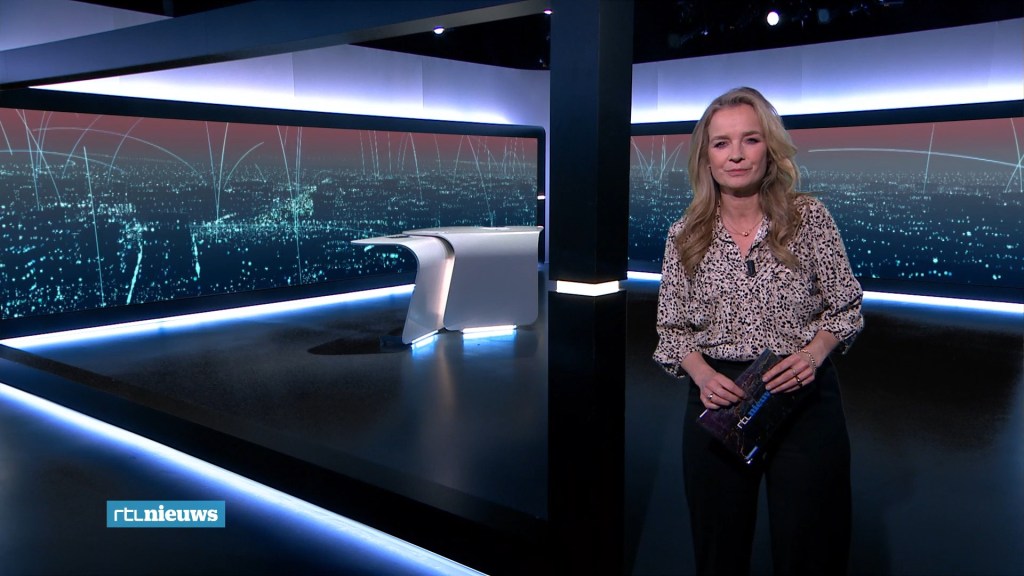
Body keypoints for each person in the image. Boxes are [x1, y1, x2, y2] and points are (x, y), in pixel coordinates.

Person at [653, 86, 864, 575]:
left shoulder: (809, 218)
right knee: (719, 554)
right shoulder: (685, 235)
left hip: (802, 395)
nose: (736, 155)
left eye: (750, 139)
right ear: (706, 157)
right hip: (718, 399)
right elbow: (671, 330)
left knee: (811, 551)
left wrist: (812, 355)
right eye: (721, 143)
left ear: (769, 148)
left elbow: (846, 306)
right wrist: (702, 375)